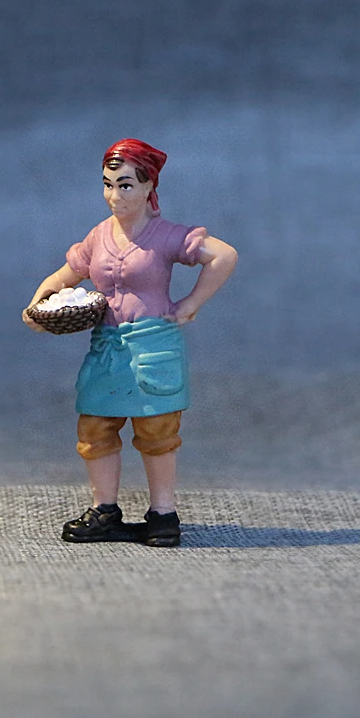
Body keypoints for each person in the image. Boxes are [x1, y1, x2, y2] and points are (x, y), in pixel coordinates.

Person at [23, 138, 238, 547]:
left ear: (147, 187)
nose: (114, 196)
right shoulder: (99, 236)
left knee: (157, 431)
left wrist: (191, 303)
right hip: (107, 348)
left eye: (125, 185)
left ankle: (163, 514)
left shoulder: (167, 235)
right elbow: (66, 275)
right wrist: (37, 305)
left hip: (153, 344)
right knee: (95, 428)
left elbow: (223, 255)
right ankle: (104, 510)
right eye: (108, 185)